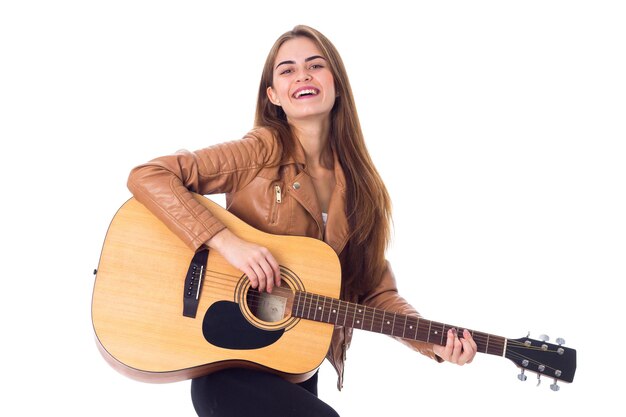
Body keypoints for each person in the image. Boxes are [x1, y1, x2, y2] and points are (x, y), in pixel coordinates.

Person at [127, 24, 477, 417]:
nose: (303, 76)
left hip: (292, 362)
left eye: (315, 65)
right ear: (274, 96)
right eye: (287, 70)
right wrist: (228, 242)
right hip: (225, 363)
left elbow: (373, 291)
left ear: (337, 85)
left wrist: (432, 341)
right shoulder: (258, 152)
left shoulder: (364, 190)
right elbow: (149, 175)